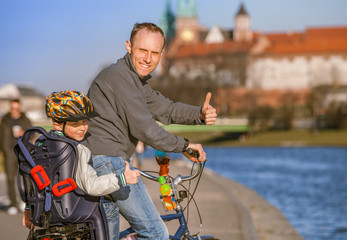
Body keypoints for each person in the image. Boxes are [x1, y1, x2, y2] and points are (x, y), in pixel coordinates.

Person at [84, 22, 217, 240]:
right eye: (142, 50)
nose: (148, 58)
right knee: (155, 233)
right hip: (109, 164)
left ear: (162, 54)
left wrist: (199, 115)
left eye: (154, 53)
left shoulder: (134, 81)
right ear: (128, 46)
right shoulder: (120, 77)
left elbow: (165, 109)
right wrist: (183, 145)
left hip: (103, 164)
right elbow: (144, 128)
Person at [21, 91, 140, 231]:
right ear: (58, 125)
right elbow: (92, 186)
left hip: (46, 212)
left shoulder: (40, 144)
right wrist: (122, 178)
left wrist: (29, 208)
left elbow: (32, 182)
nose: (83, 127)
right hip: (75, 213)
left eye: (85, 121)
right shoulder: (77, 149)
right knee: (110, 207)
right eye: (76, 123)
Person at [0, 99, 32, 215]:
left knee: (26, 177)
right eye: (12, 108)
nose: (14, 111)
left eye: (16, 108)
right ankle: (13, 204)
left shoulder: (25, 119)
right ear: (10, 107)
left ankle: (26, 202)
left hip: (23, 150)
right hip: (9, 151)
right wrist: (3, 149)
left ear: (19, 107)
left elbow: (32, 133)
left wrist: (24, 133)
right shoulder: (5, 120)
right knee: (10, 178)